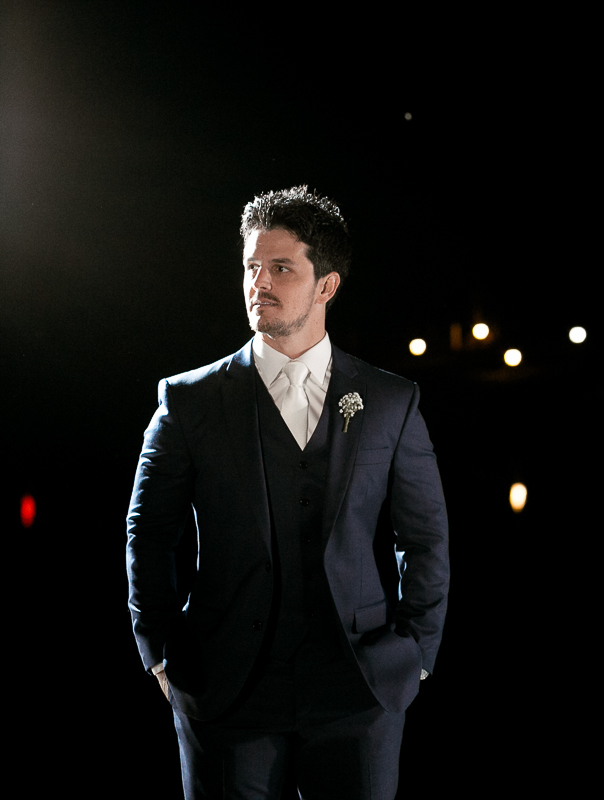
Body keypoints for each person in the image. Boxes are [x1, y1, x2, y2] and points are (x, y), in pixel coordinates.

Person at [126, 186, 449, 800]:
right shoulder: (188, 401)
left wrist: (418, 654)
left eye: (280, 268)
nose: (259, 283)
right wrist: (160, 654)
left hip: (359, 688)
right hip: (224, 689)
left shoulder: (390, 400)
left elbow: (425, 536)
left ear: (326, 285)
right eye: (251, 267)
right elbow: (149, 531)